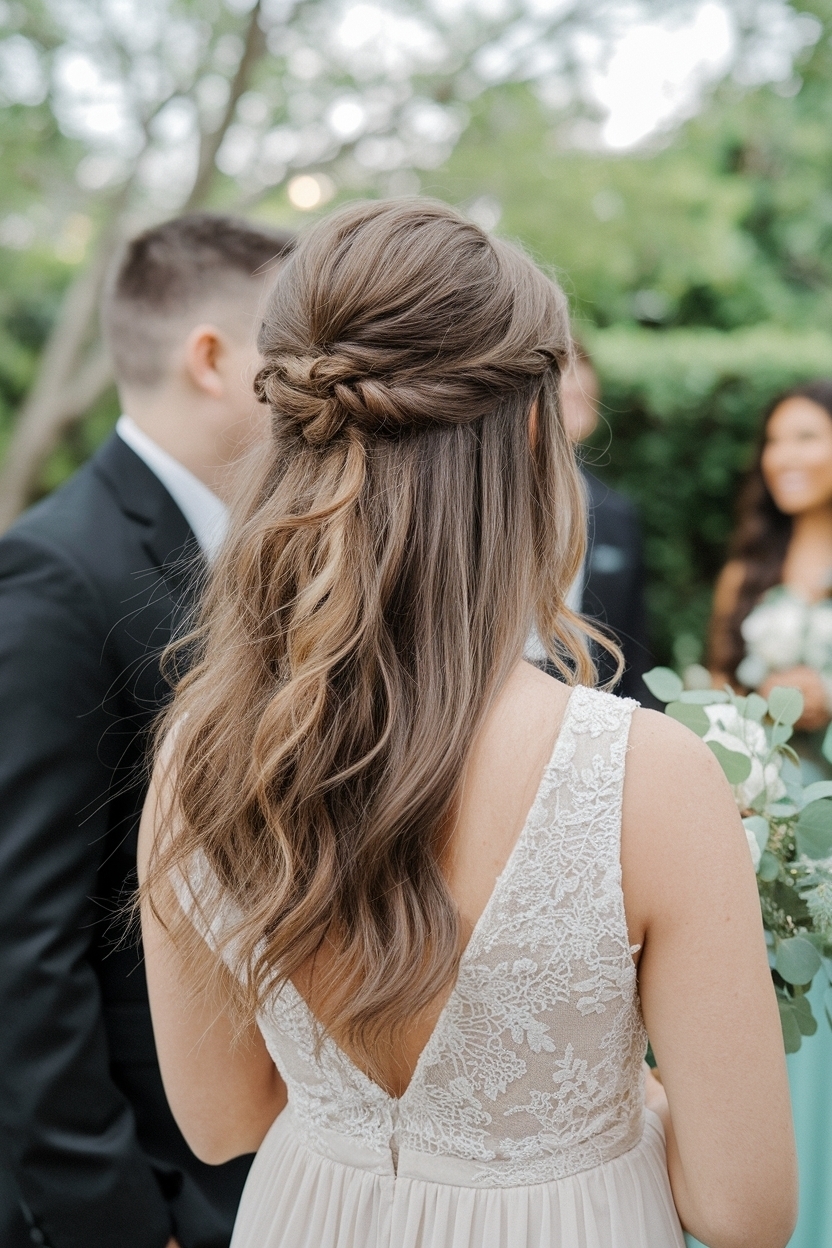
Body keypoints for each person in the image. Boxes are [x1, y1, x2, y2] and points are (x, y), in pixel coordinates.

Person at [139, 199, 795, 1248]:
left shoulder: (201, 754)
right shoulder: (647, 778)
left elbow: (221, 1123)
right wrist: (634, 1093)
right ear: (535, 429)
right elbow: (745, 1210)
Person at [0, 213, 293, 1248]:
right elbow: (24, 940)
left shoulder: (257, 555)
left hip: (264, 1161)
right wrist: (119, 1217)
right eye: (288, 351)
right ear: (212, 360)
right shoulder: (57, 573)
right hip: (153, 1187)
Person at [709, 380, 832, 1248]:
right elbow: (719, 680)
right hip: (767, 820)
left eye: (807, 438)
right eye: (775, 441)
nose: (785, 457)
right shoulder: (748, 562)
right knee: (768, 996)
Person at [557, 345, 653, 698]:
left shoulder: (618, 514)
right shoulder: (487, 508)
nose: (577, 381)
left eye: (582, 364)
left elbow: (634, 652)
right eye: (562, 367)